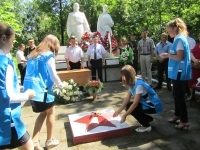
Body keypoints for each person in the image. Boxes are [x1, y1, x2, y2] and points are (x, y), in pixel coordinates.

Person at [23, 34, 68, 149]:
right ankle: (49, 140)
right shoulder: (48, 55)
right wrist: (61, 85)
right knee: (51, 113)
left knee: (43, 113)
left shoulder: (33, 54)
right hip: (43, 90)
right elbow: (53, 74)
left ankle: (35, 141)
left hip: (31, 90)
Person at [0, 22, 35, 149]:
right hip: (7, 119)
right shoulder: (5, 62)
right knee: (28, 146)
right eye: (12, 40)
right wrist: (27, 94)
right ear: (4, 39)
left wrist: (19, 88)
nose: (13, 44)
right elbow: (8, 97)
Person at [160, 18, 191, 129]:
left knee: (179, 96)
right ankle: (177, 115)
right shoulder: (179, 39)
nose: (168, 33)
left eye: (169, 31)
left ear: (175, 29)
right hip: (177, 72)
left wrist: (168, 55)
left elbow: (179, 56)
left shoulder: (179, 40)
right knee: (175, 94)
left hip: (179, 72)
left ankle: (184, 121)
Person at [113, 65, 163, 133]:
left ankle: (146, 126)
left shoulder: (139, 85)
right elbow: (127, 98)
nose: (122, 77)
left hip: (153, 106)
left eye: (123, 76)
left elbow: (135, 104)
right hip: (146, 104)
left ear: (128, 76)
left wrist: (125, 115)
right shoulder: (132, 82)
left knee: (131, 107)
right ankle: (148, 119)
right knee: (128, 106)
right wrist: (118, 111)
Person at [188, 33, 200, 100]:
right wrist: (194, 60)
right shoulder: (197, 45)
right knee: (191, 81)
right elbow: (191, 53)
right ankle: (192, 95)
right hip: (194, 66)